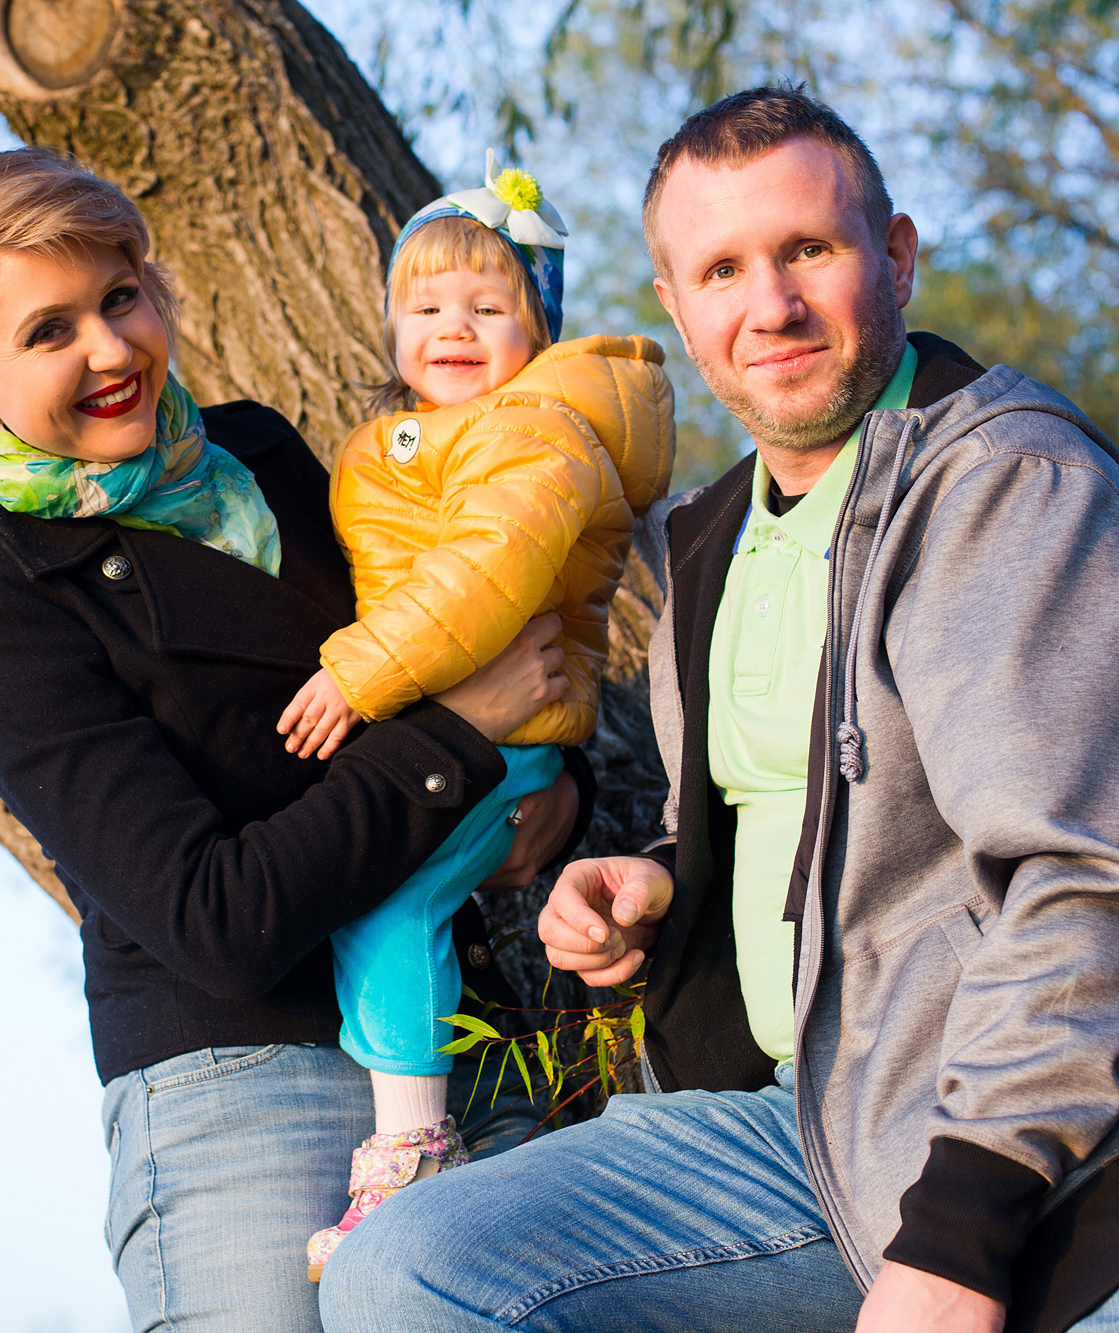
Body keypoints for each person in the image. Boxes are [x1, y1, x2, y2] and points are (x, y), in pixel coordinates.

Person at [320, 86, 1119, 1333]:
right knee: (405, 1272)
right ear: (674, 308)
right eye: (720, 268)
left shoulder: (1004, 485)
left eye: (807, 252)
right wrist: (667, 880)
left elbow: (1089, 886)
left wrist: (955, 1242)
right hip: (811, 1131)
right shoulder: (708, 537)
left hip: (1100, 1145)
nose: (766, 305)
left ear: (892, 256)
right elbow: (831, 801)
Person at [0, 146, 595, 1333]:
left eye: (118, 298)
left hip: (463, 1029)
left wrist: (548, 808)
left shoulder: (260, 457)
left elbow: (446, 660)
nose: (108, 350)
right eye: (47, 333)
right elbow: (217, 920)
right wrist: (458, 741)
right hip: (240, 1087)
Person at [274, 157, 674, 1277]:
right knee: (392, 902)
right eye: (425, 307)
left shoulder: (532, 433)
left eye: (487, 308)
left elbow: (484, 572)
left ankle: (409, 1150)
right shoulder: (444, 431)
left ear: (536, 325)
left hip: (498, 731)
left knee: (390, 901)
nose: (452, 327)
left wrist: (358, 673)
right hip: (460, 722)